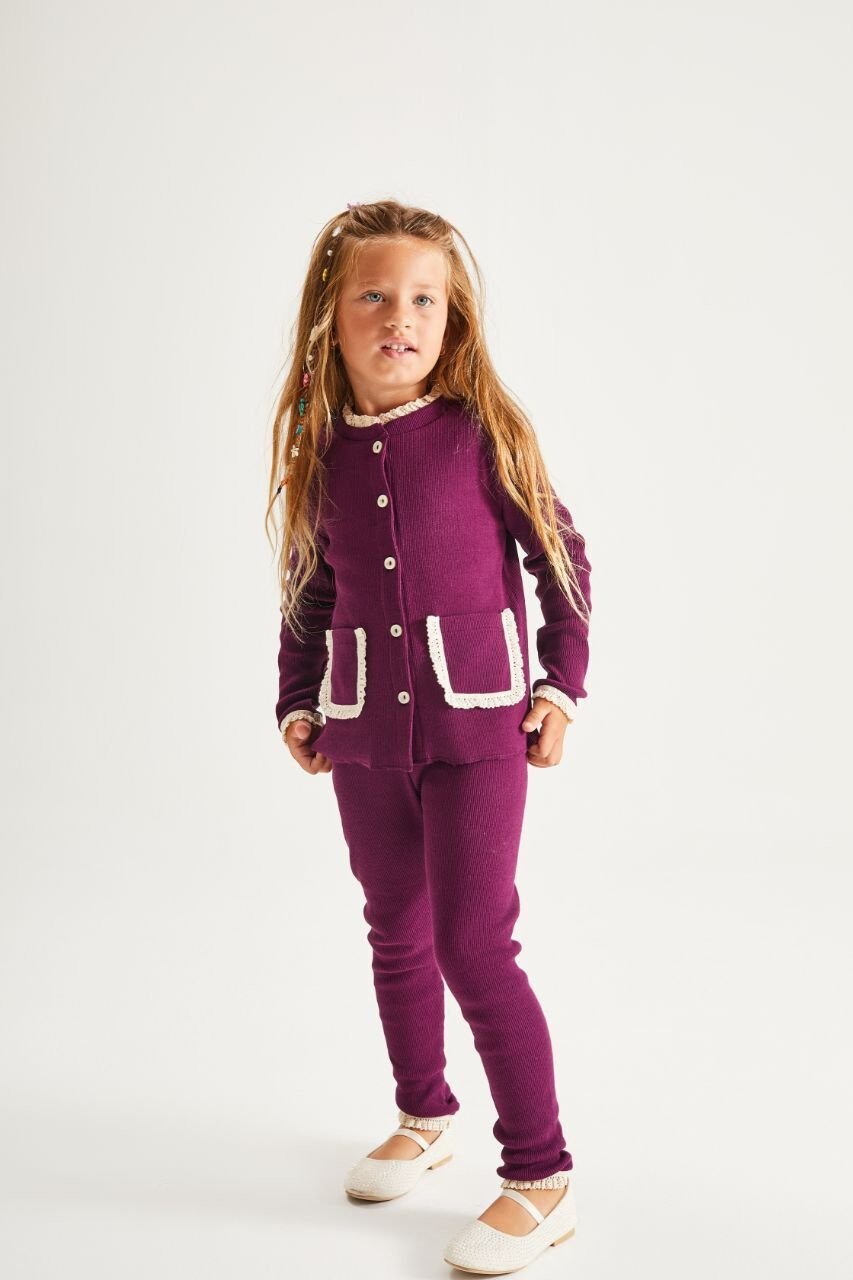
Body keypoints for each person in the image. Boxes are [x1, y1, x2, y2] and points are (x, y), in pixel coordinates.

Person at [266, 198, 591, 1275]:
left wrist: (560, 685)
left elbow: (561, 563)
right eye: (373, 295)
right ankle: (424, 1114)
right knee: (394, 929)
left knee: (473, 943)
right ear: (331, 315)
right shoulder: (317, 456)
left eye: (423, 300)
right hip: (363, 733)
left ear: (452, 321)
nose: (398, 317)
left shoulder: (482, 434)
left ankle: (540, 1176)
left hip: (478, 726)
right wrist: (298, 700)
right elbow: (307, 593)